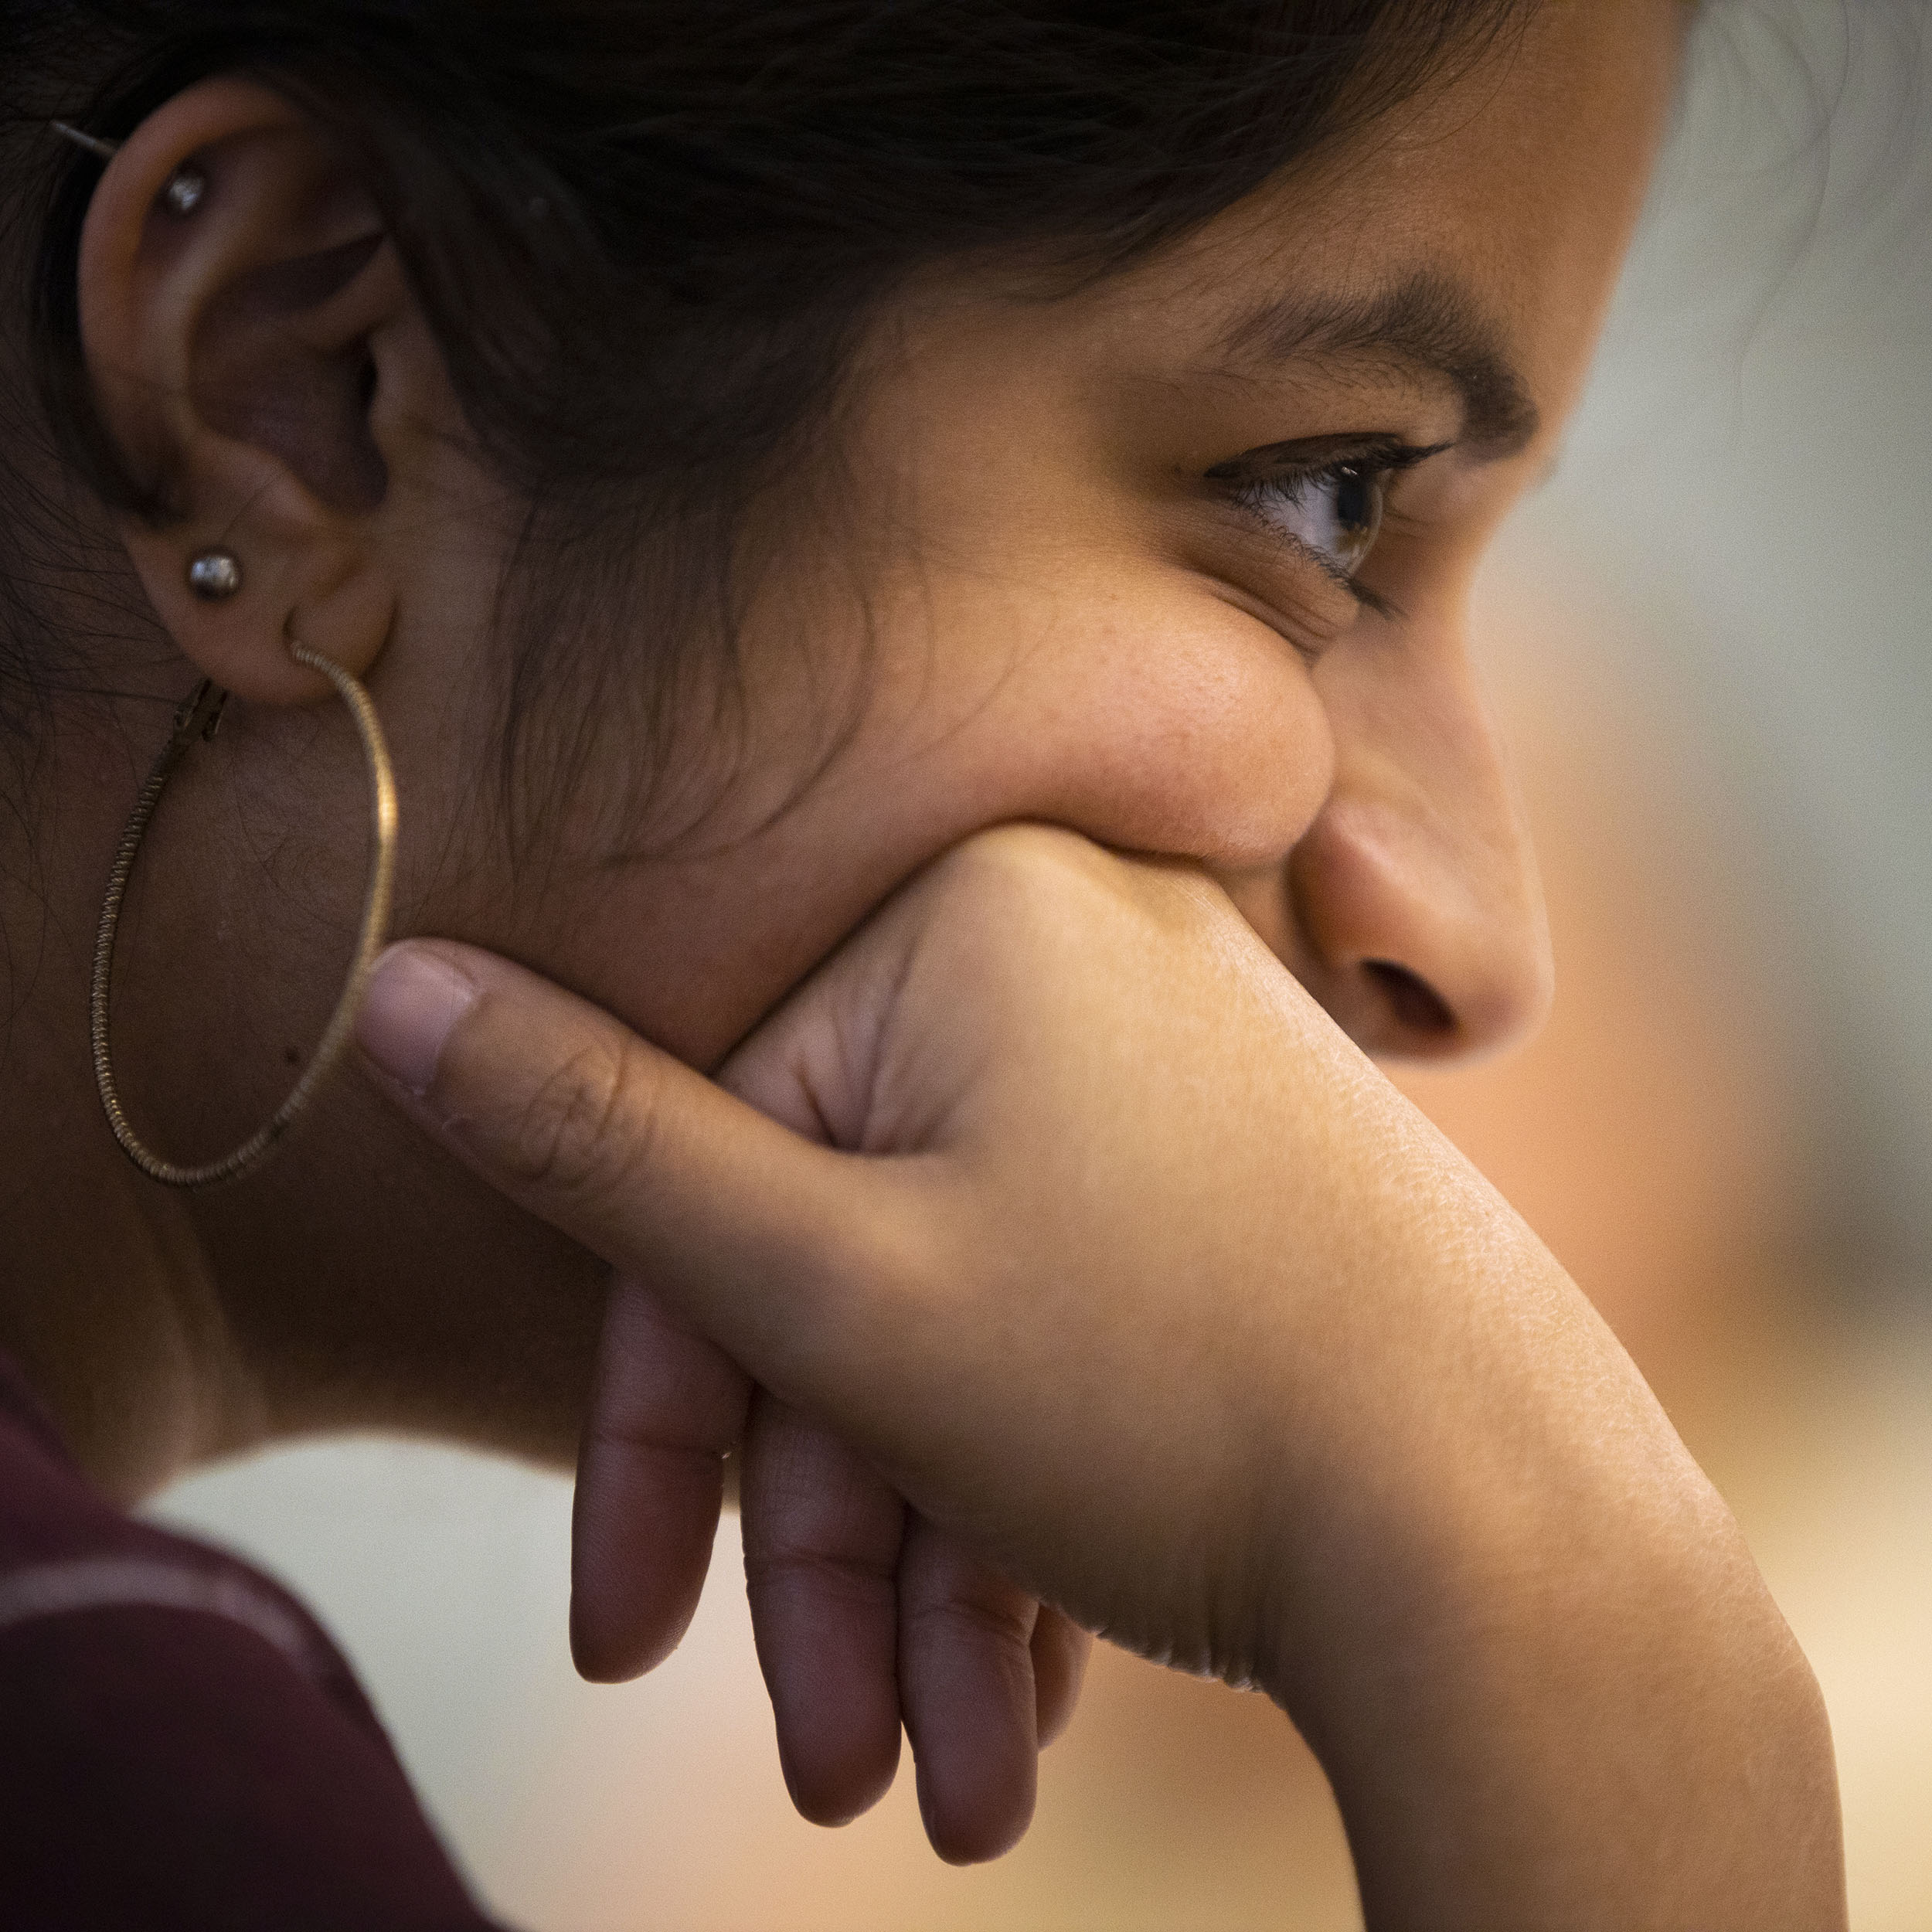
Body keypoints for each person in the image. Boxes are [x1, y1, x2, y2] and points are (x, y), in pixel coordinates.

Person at [0, 2, 1843, 1926]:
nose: (1476, 949)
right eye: (1322, 497)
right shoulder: (95, 1774)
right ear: (300, 388)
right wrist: (1566, 1627)